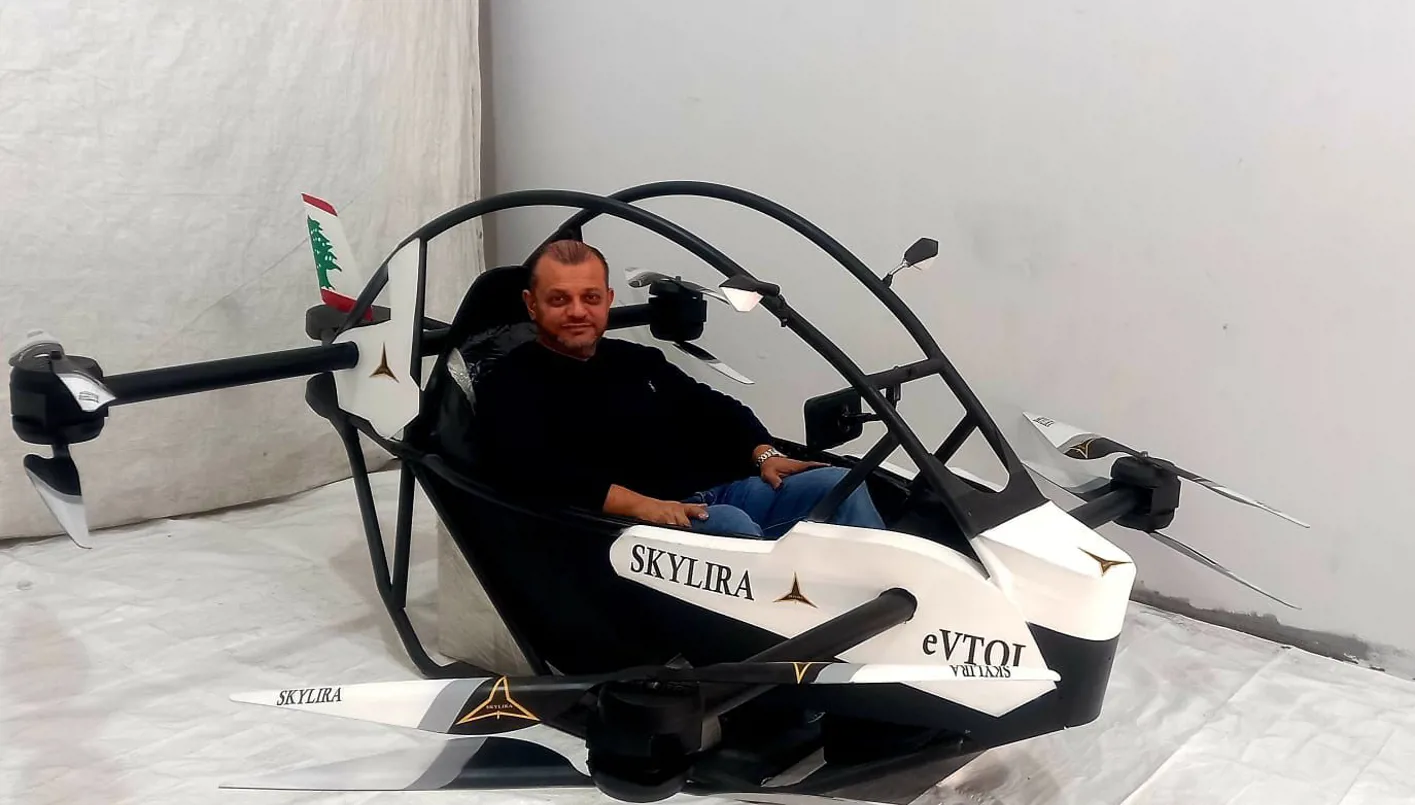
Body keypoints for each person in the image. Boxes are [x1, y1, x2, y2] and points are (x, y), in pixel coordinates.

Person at [472, 239, 886, 538]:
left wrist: (766, 454)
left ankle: (891, 600)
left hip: (717, 493)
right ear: (532, 304)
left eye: (590, 297)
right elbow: (537, 472)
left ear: (608, 298)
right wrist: (648, 507)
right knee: (731, 527)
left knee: (838, 484)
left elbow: (714, 408)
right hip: (630, 528)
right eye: (560, 299)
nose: (578, 311)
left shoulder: (637, 361)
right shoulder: (511, 383)